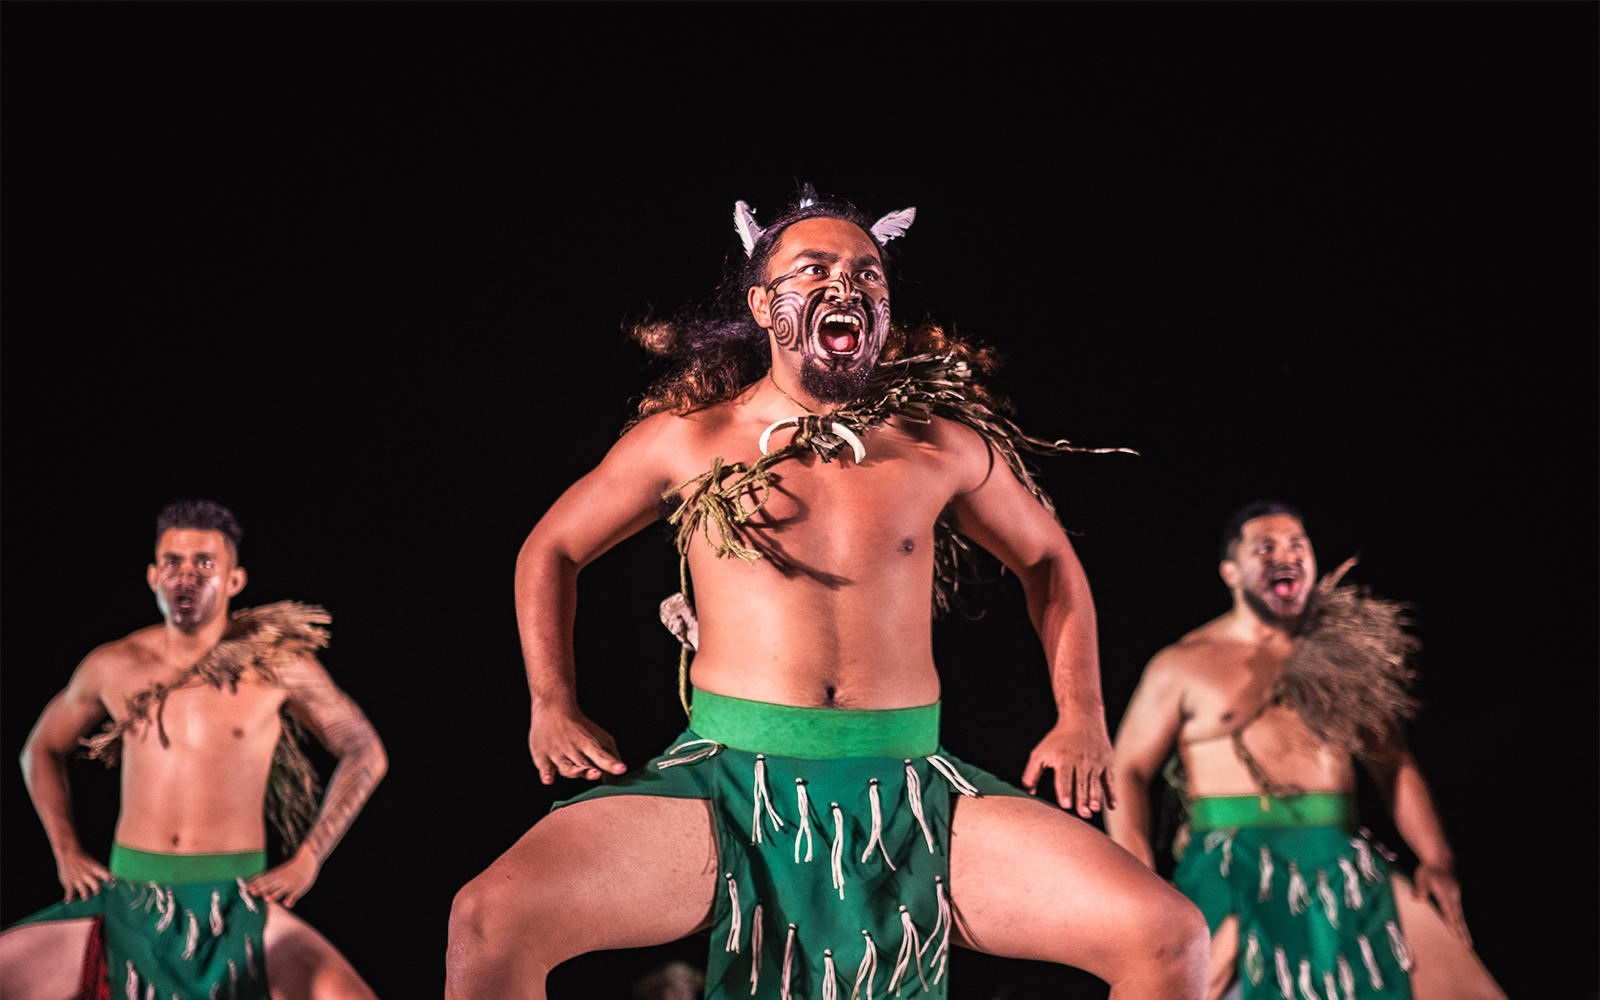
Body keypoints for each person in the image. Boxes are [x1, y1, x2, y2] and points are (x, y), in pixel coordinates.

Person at [446, 191, 1208, 1000]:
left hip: (911, 789)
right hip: (727, 787)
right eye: (814, 269)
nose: (846, 284)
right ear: (761, 305)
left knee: (1167, 938)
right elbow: (553, 548)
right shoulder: (689, 438)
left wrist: (1082, 713)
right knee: (490, 920)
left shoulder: (938, 448)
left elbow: (1049, 559)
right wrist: (552, 703)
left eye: (867, 274)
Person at [1106, 502, 1505, 1000]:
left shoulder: (1345, 660)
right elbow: (1127, 768)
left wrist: (1436, 858)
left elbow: (1394, 765)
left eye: (1298, 545)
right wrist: (1140, 880)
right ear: (1231, 572)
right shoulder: (1184, 664)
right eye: (1265, 547)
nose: (1286, 555)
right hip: (1233, 865)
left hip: (1343, 861)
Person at [1, 500, 387, 1000]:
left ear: (234, 580)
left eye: (204, 563)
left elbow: (364, 750)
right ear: (152, 576)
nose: (186, 576)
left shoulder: (280, 667)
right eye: (173, 562)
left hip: (238, 899)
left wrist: (309, 859)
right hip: (127, 897)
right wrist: (66, 851)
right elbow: (40, 750)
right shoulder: (112, 665)